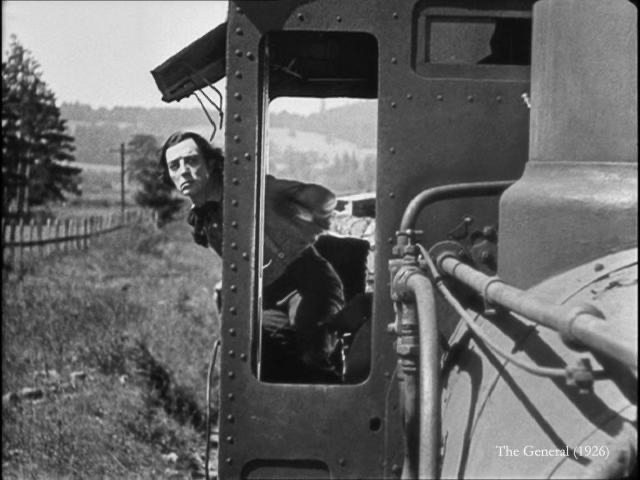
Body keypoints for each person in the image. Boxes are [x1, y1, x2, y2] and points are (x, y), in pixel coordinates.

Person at [159, 131, 345, 382]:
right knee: (258, 355)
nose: (183, 171)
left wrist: (303, 207)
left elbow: (325, 199)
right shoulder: (202, 219)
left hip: (308, 282)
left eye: (191, 161)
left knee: (313, 354)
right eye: (174, 166)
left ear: (211, 164)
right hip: (267, 296)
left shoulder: (250, 191)